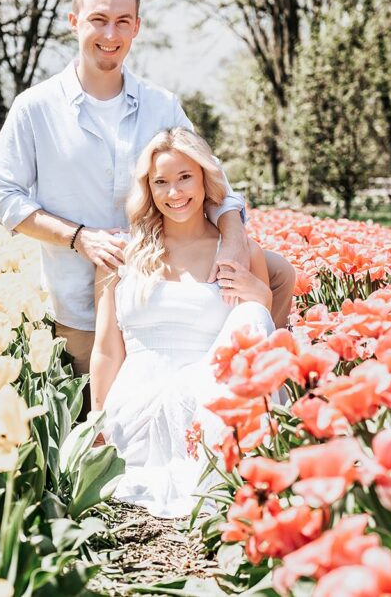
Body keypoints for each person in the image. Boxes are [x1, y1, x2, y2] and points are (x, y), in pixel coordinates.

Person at [0, 0, 295, 416]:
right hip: (87, 284)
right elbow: (3, 196)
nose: (110, 33)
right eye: (98, 19)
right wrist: (80, 237)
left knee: (278, 274)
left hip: (171, 269)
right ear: (75, 22)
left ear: (136, 28)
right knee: (102, 399)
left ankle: (267, 402)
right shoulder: (35, 108)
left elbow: (214, 182)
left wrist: (231, 242)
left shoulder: (161, 105)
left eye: (122, 22)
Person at [91, 127, 275, 518]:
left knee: (252, 312)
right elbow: (107, 349)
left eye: (184, 178)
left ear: (206, 178)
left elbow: (258, 338)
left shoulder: (241, 254)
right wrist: (96, 425)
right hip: (137, 406)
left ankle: (242, 458)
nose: (174, 193)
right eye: (161, 182)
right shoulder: (123, 253)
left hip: (206, 405)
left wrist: (260, 296)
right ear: (149, 189)